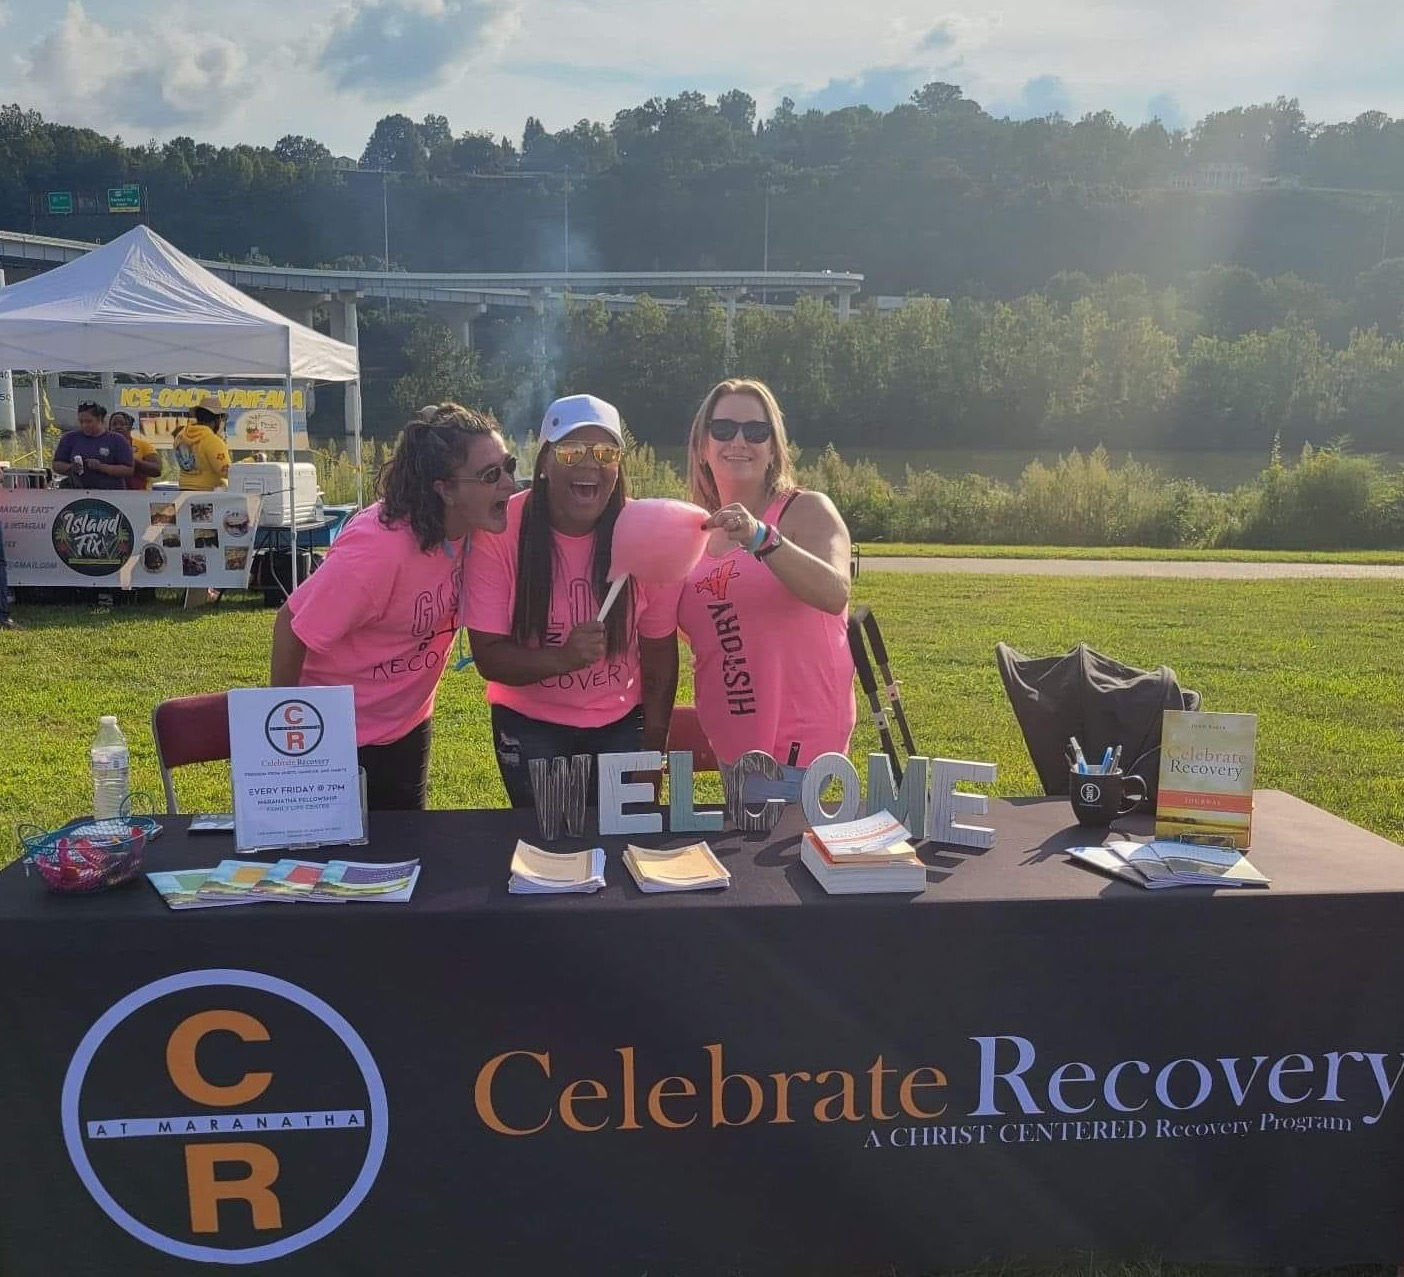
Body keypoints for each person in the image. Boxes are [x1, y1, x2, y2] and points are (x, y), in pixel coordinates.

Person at [270, 403, 518, 810]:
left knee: (404, 858)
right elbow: (293, 624)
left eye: (508, 465)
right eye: (492, 475)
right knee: (335, 866)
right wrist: (282, 726)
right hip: (335, 736)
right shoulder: (378, 551)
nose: (509, 483)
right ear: (445, 489)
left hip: (407, 726)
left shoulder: (478, 530)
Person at [466, 394, 681, 808]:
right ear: (544, 463)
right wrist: (563, 659)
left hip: (621, 723)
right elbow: (489, 657)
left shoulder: (648, 534)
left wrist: (654, 753)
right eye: (570, 451)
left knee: (624, 848)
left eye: (605, 452)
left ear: (618, 466)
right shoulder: (501, 530)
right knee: (550, 849)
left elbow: (659, 657)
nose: (588, 464)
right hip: (530, 725)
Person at [676, 378, 855, 777]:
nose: (738, 441)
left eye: (756, 431)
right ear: (703, 447)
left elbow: (835, 592)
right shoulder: (695, 531)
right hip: (732, 743)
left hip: (800, 747)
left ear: (774, 448)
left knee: (791, 842)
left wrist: (762, 538)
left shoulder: (805, 510)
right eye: (723, 429)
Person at [51, 401, 134, 490]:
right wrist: (71, 467)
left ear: (100, 419)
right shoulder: (69, 438)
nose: (84, 425)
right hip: (78, 491)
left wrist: (101, 467)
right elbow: (56, 464)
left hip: (110, 493)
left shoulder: (117, 440)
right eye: (81, 421)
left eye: (89, 421)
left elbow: (128, 470)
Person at [172, 395, 231, 490]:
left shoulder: (180, 436)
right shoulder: (212, 441)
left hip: (183, 490)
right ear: (218, 419)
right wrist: (251, 461)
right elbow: (226, 471)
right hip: (207, 494)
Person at [108, 411, 162, 490]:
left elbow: (157, 470)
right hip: (109, 494)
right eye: (114, 424)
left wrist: (131, 460)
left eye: (123, 424)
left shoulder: (144, 446)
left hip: (138, 495)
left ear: (130, 427)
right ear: (109, 428)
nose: (118, 427)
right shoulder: (103, 445)